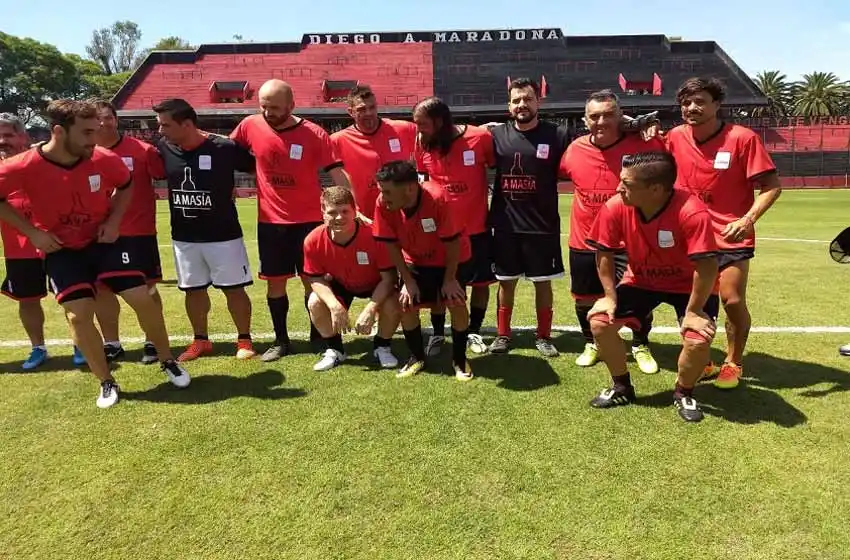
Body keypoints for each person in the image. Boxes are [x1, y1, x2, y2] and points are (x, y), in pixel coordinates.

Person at [0, 99, 190, 408]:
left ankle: (167, 360)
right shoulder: (23, 165)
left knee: (142, 297)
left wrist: (114, 221)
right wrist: (33, 232)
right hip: (62, 251)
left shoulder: (102, 158)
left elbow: (126, 186)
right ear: (59, 132)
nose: (94, 139)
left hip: (105, 243)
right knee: (79, 316)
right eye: (87, 132)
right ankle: (106, 381)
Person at [663, 77, 781, 389]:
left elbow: (771, 187)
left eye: (700, 101)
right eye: (686, 102)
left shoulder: (742, 138)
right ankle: (705, 361)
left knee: (731, 300)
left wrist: (747, 219)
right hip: (690, 235)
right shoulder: (674, 137)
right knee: (693, 304)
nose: (692, 108)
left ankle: (733, 362)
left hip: (732, 235)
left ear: (717, 104)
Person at [586, 152, 719, 423]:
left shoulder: (691, 212)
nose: (617, 188)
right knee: (600, 322)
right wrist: (610, 297)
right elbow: (603, 254)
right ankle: (621, 386)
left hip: (688, 286)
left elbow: (706, 269)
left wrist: (693, 311)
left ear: (655, 189)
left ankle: (683, 393)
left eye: (627, 183)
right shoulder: (615, 206)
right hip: (642, 281)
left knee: (697, 340)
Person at [230, 79, 352, 361]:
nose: (268, 112)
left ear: (291, 105)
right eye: (263, 106)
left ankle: (319, 335)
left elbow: (336, 172)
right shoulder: (250, 125)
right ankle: (281, 340)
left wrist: (350, 205)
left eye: (274, 107)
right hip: (271, 223)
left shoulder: (314, 134)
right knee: (275, 283)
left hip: (310, 222)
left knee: (313, 281)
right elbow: (227, 151)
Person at [558, 90, 662, 374]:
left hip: (630, 240)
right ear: (584, 120)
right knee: (584, 298)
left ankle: (640, 343)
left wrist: (648, 127)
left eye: (608, 114)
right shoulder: (574, 150)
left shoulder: (642, 145)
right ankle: (592, 342)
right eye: (594, 116)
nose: (601, 121)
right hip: (585, 240)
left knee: (639, 296)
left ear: (620, 116)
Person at [153, 98, 256, 362]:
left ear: (186, 124)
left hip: (224, 236)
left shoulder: (224, 147)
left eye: (165, 125)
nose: (160, 131)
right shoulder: (164, 147)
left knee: (234, 289)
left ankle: (244, 339)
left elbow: (259, 168)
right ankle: (201, 341)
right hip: (184, 238)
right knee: (193, 290)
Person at [487, 78, 570, 357]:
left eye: (527, 99)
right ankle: (502, 335)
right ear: (509, 105)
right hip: (506, 225)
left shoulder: (557, 135)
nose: (522, 104)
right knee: (505, 282)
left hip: (542, 226)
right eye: (516, 100)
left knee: (542, 282)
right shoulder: (496, 135)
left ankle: (544, 336)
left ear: (538, 101)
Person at [373, 160, 473, 380]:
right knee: (406, 303)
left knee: (456, 301)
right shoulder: (383, 202)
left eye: (388, 191)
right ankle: (416, 357)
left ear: (409, 188)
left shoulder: (438, 198)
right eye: (381, 190)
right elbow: (390, 243)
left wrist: (449, 280)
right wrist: (407, 281)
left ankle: (459, 358)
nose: (383, 196)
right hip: (415, 258)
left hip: (450, 259)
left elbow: (453, 244)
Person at [412, 97, 495, 356]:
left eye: (423, 124)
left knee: (480, 283)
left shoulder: (480, 137)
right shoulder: (421, 143)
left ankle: (474, 331)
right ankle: (438, 334)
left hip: (477, 228)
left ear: (439, 121)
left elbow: (495, 166)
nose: (418, 129)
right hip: (441, 233)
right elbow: (422, 181)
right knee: (439, 288)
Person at [92, 100, 166, 365]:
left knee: (146, 288)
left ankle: (153, 340)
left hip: (139, 232)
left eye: (107, 117)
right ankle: (111, 343)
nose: (102, 123)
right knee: (101, 289)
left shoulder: (143, 151)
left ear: (116, 119)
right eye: (96, 118)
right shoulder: (82, 153)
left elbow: (164, 174)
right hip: (98, 235)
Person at [303, 186, 401, 371]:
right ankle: (335, 349)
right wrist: (334, 305)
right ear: (323, 212)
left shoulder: (374, 235)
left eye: (344, 211)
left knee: (393, 302)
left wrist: (371, 309)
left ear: (355, 210)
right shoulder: (313, 239)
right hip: (342, 282)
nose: (339, 217)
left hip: (375, 283)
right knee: (315, 301)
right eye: (332, 212)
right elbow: (315, 278)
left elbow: (389, 278)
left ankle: (382, 346)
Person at [0, 113, 49, 370]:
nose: (2, 140)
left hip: (54, 241)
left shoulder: (42, 160)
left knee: (73, 298)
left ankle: (80, 343)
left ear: (23, 136)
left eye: (8, 135)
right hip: (17, 247)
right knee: (27, 300)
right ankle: (37, 347)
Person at [330, 85, 417, 222]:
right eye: (362, 109)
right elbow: (340, 181)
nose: (368, 113)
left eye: (372, 107)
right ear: (350, 112)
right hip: (365, 218)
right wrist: (354, 211)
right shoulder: (337, 141)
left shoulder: (405, 130)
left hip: (405, 215)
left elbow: (427, 158)